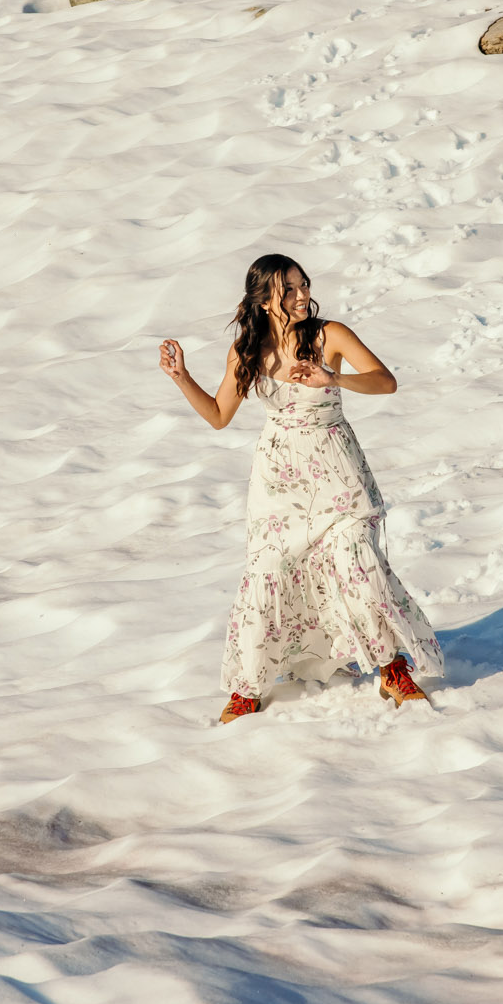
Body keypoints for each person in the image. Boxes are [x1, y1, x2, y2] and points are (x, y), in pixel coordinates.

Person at [159, 255, 444, 722]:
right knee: (271, 569)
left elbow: (386, 382)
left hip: (336, 468)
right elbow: (217, 416)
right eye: (287, 290)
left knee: (357, 561)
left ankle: (392, 668)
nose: (301, 296)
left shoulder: (329, 335)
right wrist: (181, 377)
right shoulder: (246, 349)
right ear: (263, 299)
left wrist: (334, 378)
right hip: (279, 476)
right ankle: (248, 686)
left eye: (303, 285)